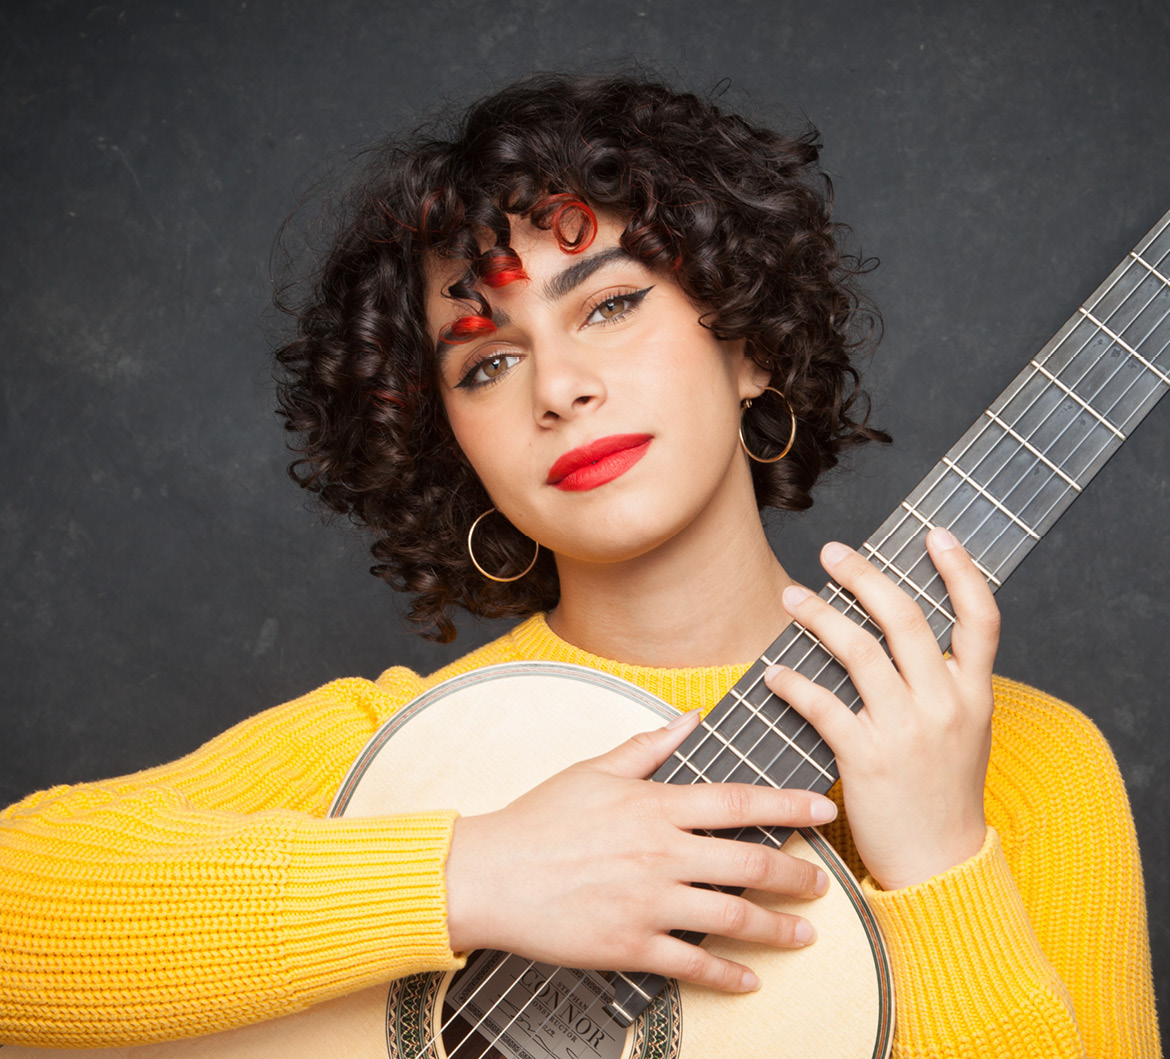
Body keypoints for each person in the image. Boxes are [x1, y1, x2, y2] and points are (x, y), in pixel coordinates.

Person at [0, 73, 1160, 1056]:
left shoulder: (1034, 768)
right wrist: (477, 875)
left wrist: (942, 865)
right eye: (487, 364)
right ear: (451, 441)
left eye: (607, 305)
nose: (558, 386)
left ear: (748, 341)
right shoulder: (395, 753)